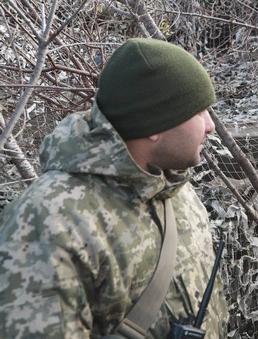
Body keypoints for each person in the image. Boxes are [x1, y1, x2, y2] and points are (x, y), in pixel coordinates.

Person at [0, 38, 228, 337]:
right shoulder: (48, 223)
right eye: (198, 112)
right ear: (154, 125)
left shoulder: (173, 186)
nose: (211, 125)